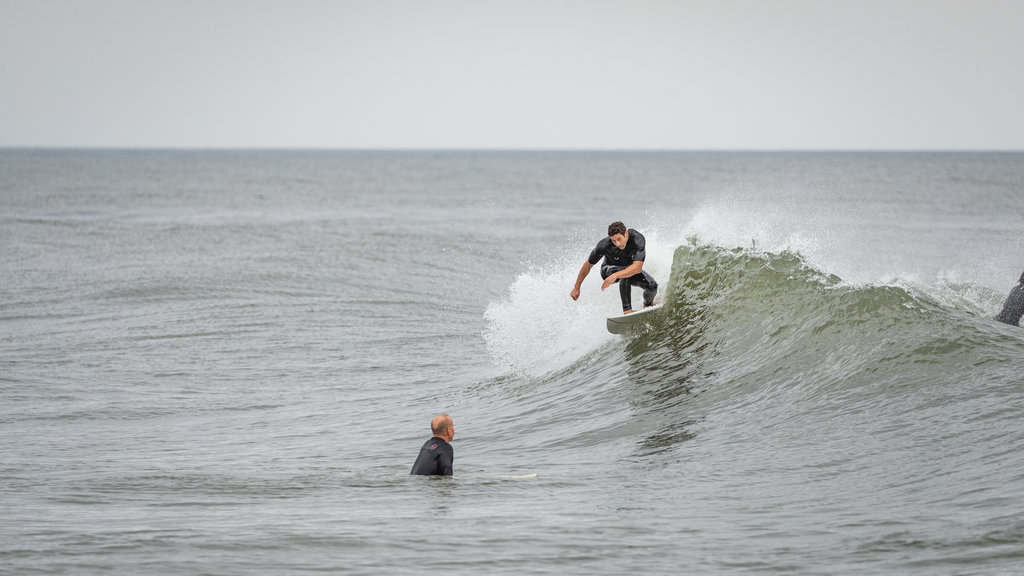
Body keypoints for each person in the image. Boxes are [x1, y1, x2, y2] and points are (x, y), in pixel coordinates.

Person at [570, 221, 658, 313]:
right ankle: (627, 310)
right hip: (608, 270)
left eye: (619, 239)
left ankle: (648, 305)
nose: (617, 243)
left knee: (652, 286)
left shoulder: (637, 239)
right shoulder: (604, 245)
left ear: (626, 234)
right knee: (625, 271)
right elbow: (588, 265)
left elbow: (637, 268)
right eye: (614, 240)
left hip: (624, 270)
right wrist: (577, 287)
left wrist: (616, 275)